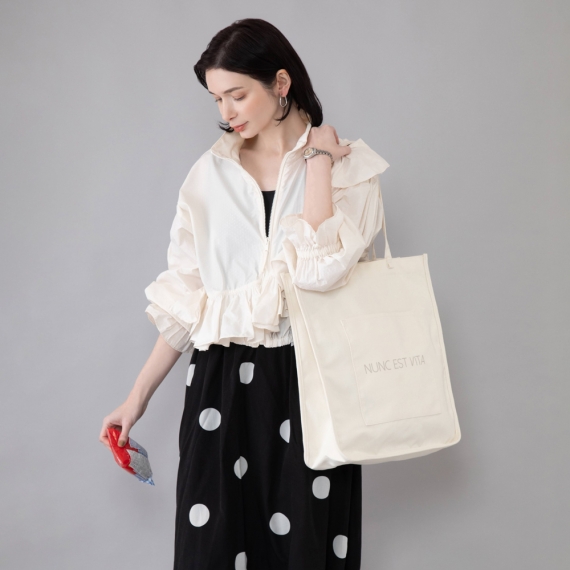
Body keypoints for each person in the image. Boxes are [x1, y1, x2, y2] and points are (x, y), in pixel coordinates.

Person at [99, 17, 389, 570]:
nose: (226, 112)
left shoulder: (350, 170)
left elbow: (319, 273)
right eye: (217, 99)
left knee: (304, 551)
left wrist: (319, 163)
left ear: (281, 83)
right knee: (213, 549)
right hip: (220, 387)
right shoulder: (208, 176)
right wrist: (136, 399)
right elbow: (188, 301)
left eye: (237, 94)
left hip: (311, 386)